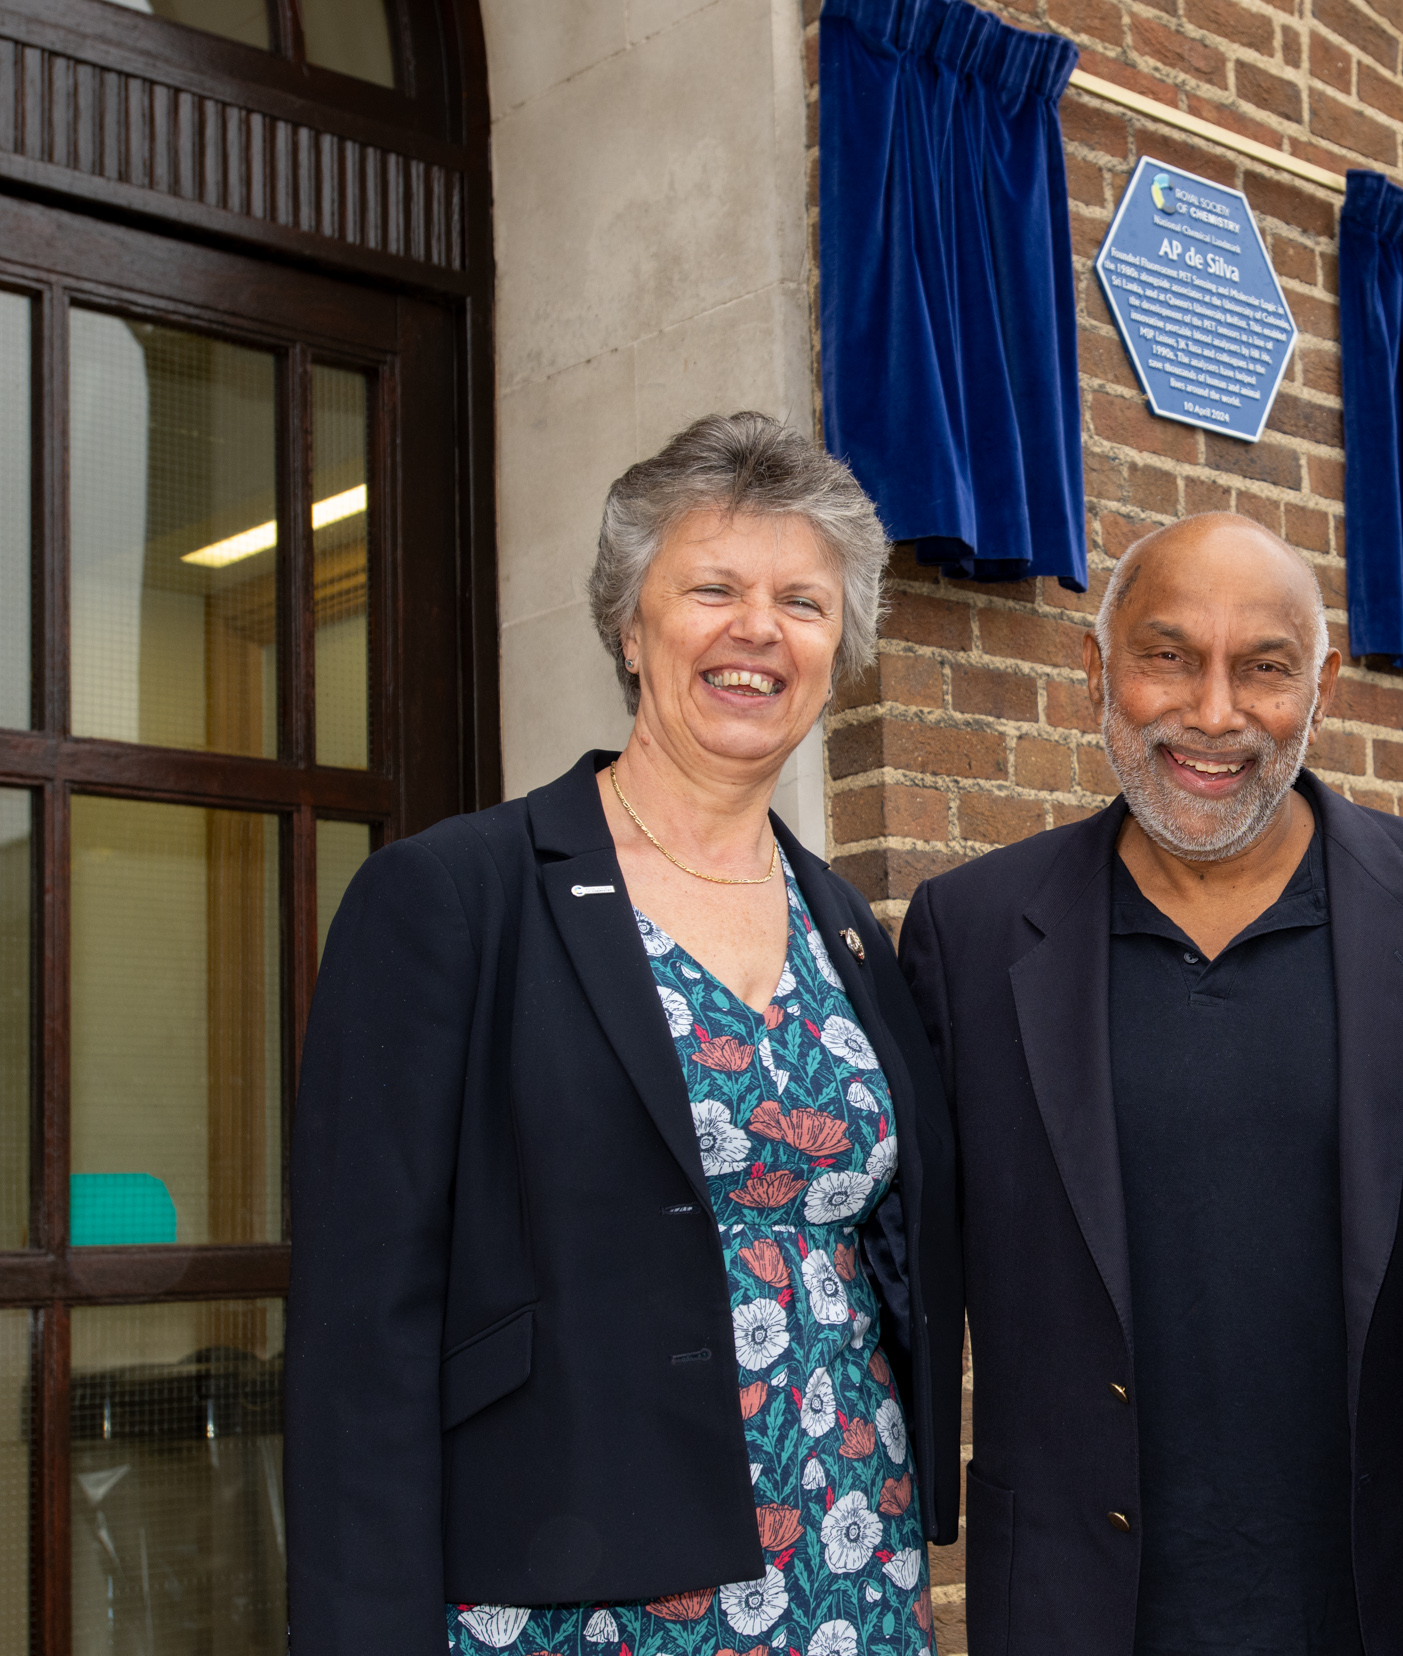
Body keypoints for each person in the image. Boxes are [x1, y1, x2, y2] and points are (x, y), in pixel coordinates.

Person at [285, 414, 962, 1656]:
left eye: (801, 602)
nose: (759, 629)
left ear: (838, 649)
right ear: (629, 626)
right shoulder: (454, 897)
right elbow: (357, 1337)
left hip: (847, 1552)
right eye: (712, 587)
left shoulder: (848, 929)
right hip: (569, 1591)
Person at [897, 512, 1403, 1656]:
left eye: (1266, 668)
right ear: (1096, 669)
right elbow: (908, 1274)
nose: (1218, 712)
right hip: (1083, 1610)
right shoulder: (971, 934)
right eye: (1168, 656)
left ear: (1323, 686)